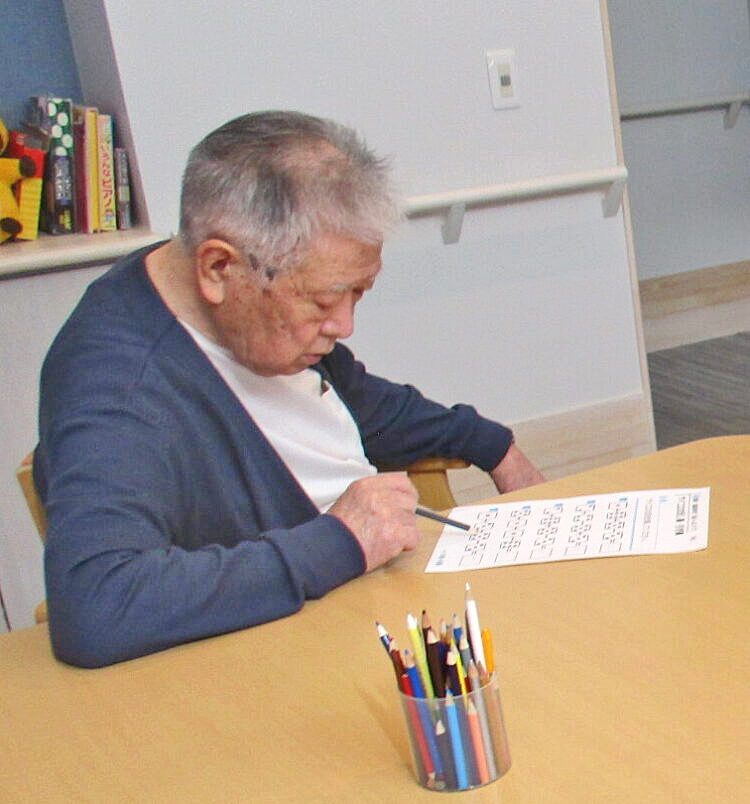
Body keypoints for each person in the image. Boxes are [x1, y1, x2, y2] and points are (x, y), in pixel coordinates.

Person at [36, 110, 543, 668]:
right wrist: (341, 541)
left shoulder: (253, 320)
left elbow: (366, 405)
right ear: (219, 268)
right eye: (323, 301)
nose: (344, 326)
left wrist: (494, 446)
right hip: (282, 658)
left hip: (382, 607)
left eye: (358, 293)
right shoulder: (118, 388)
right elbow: (97, 607)